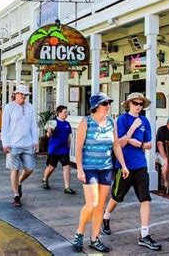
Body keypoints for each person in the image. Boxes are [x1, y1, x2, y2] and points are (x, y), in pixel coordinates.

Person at [101, 92, 162, 251]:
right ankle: (106, 217)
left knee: (145, 198)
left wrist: (141, 145)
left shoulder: (145, 121)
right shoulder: (122, 120)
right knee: (117, 196)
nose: (139, 107)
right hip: (124, 166)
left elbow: (148, 144)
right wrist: (130, 133)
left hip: (140, 164)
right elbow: (118, 144)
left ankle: (144, 235)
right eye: (135, 103)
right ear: (129, 104)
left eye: (141, 104)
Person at [72, 93, 129, 253]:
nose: (108, 106)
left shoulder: (111, 122)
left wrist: (123, 165)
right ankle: (79, 233)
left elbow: (116, 145)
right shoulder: (86, 122)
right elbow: (78, 147)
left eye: (109, 103)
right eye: (105, 103)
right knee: (92, 203)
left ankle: (94, 238)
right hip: (89, 167)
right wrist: (80, 169)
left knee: (100, 206)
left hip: (106, 167)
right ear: (96, 106)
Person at [1, 85, 38, 208]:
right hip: (13, 144)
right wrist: (5, 143)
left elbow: (33, 125)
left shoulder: (30, 107)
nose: (23, 96)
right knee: (14, 169)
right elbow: (5, 127)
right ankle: (16, 195)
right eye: (21, 94)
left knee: (30, 168)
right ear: (15, 94)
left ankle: (19, 182)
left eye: (25, 94)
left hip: (27, 143)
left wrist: (35, 141)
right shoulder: (9, 107)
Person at [42, 105, 75, 195]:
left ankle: (67, 187)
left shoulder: (67, 124)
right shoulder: (53, 122)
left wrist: (69, 147)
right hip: (54, 149)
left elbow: (68, 137)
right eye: (65, 112)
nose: (66, 114)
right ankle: (45, 179)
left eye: (67, 112)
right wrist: (49, 131)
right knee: (51, 167)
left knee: (66, 167)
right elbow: (48, 135)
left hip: (64, 150)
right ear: (59, 113)